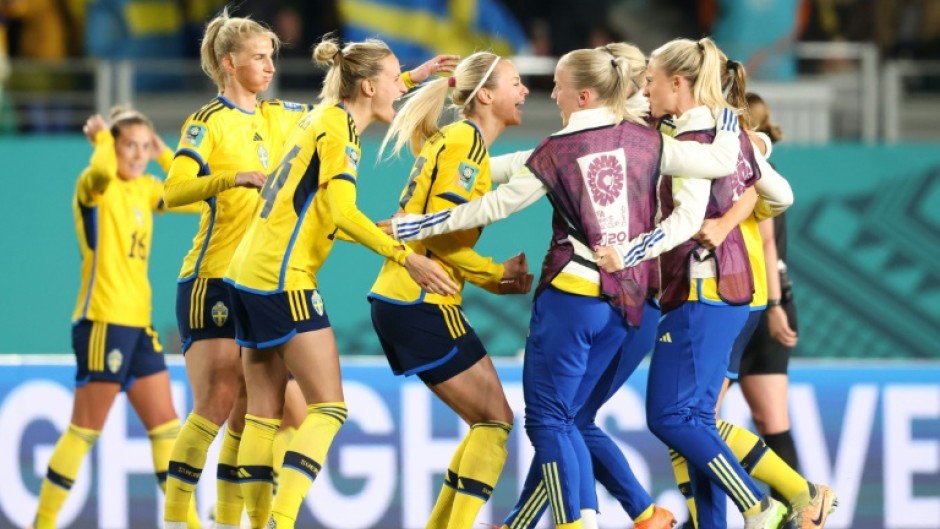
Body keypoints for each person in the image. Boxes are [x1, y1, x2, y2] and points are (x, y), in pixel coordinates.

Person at [386, 43, 747, 529]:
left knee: (549, 421)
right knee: (573, 421)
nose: (546, 90)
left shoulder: (558, 152)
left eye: (556, 82)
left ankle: (582, 523)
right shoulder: (644, 141)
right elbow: (722, 162)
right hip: (627, 307)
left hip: (570, 302)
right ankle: (628, 516)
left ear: (581, 95)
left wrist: (414, 227)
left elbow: (494, 207)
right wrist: (727, 116)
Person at [223, 36, 458, 529]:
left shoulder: (321, 115)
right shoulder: (342, 130)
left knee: (263, 415)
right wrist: (402, 255)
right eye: (395, 80)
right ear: (369, 85)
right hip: (283, 279)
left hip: (246, 273)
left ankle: (249, 524)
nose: (402, 87)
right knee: (328, 408)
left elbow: (321, 212)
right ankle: (280, 522)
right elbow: (341, 210)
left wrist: (416, 76)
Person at [601, 37, 791, 529]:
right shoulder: (715, 132)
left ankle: (761, 504)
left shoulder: (691, 142)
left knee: (668, 419)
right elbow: (781, 193)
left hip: (702, 289)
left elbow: (687, 219)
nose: (646, 87)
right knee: (697, 425)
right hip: (722, 292)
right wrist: (753, 147)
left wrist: (629, 253)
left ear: (678, 83)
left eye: (652, 80)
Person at [160, 10, 313, 529]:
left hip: (256, 284)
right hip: (212, 279)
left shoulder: (278, 115)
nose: (270, 66)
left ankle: (239, 523)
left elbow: (338, 114)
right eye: (259, 57)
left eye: (272, 56)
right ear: (229, 63)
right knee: (219, 400)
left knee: (258, 409)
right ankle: (178, 518)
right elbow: (173, 191)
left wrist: (399, 80)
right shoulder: (208, 122)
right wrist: (229, 180)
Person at [370, 50, 534, 529]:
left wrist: (493, 278)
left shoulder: (456, 138)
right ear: (486, 95)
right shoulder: (466, 144)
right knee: (496, 422)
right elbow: (439, 232)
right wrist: (494, 274)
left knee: (489, 422)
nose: (525, 92)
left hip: (405, 297)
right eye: (516, 83)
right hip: (420, 300)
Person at [30, 108, 201, 529]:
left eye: (145, 146)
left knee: (166, 428)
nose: (138, 155)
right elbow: (102, 174)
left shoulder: (145, 190)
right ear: (113, 146)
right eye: (131, 146)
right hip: (103, 322)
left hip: (139, 327)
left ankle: (190, 524)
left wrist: (167, 154)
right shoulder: (95, 188)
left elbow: (199, 199)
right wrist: (103, 141)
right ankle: (44, 522)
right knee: (84, 430)